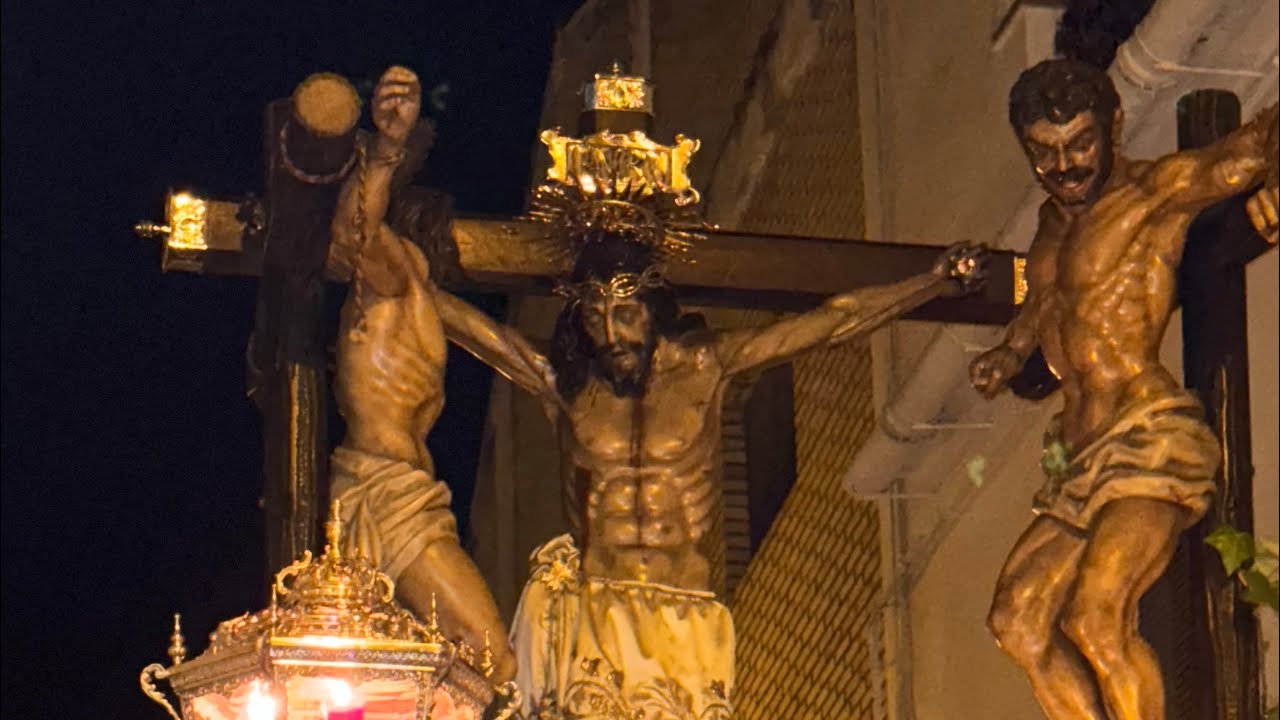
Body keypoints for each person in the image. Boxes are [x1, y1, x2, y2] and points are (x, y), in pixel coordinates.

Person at [970, 58, 1278, 720]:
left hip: (1147, 439)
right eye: (1044, 153)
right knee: (1015, 619)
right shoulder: (1051, 227)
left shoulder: (1153, 194)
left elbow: (1249, 148)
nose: (1065, 166)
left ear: (1113, 126)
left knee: (1095, 614)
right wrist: (1011, 350)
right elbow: (1050, 304)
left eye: (1080, 143)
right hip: (1079, 461)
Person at [326, 66, 515, 682]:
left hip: (410, 492)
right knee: (492, 658)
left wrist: (556, 382)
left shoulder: (423, 302)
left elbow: (508, 349)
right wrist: (385, 151)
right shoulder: (390, 276)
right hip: (384, 494)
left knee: (441, 667)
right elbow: (354, 232)